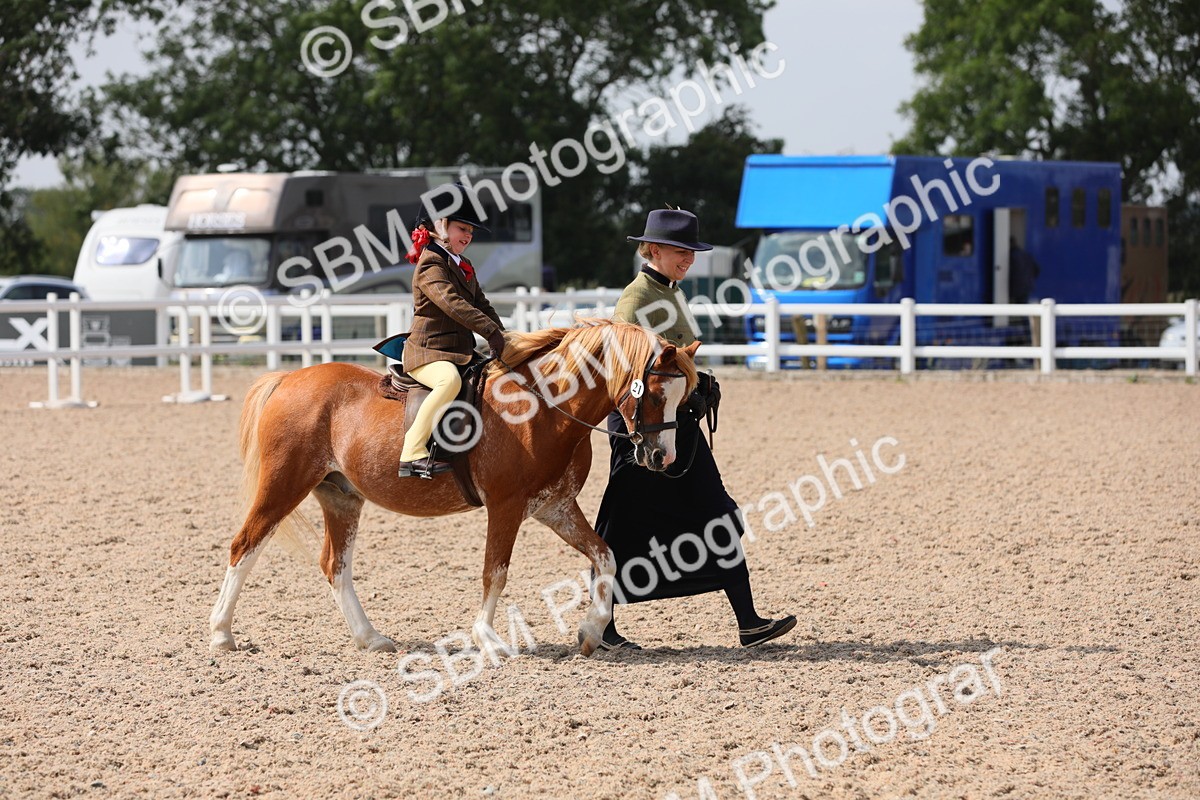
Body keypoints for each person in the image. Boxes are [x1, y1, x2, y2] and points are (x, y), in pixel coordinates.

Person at [593, 208, 797, 650]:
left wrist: (698, 383)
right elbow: (626, 370)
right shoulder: (636, 299)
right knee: (621, 525)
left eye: (692, 251)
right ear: (655, 249)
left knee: (716, 514)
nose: (689, 258)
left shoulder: (668, 292)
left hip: (676, 423)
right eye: (681, 250)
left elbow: (672, 361)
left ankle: (749, 621)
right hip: (643, 430)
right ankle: (601, 625)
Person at [398, 190, 506, 478]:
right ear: (440, 225)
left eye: (471, 231)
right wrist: (489, 330)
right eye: (462, 228)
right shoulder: (431, 263)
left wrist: (505, 336)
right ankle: (412, 451)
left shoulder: (462, 264)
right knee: (448, 381)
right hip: (428, 352)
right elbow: (453, 304)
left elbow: (481, 303)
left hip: (458, 350)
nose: (468, 235)